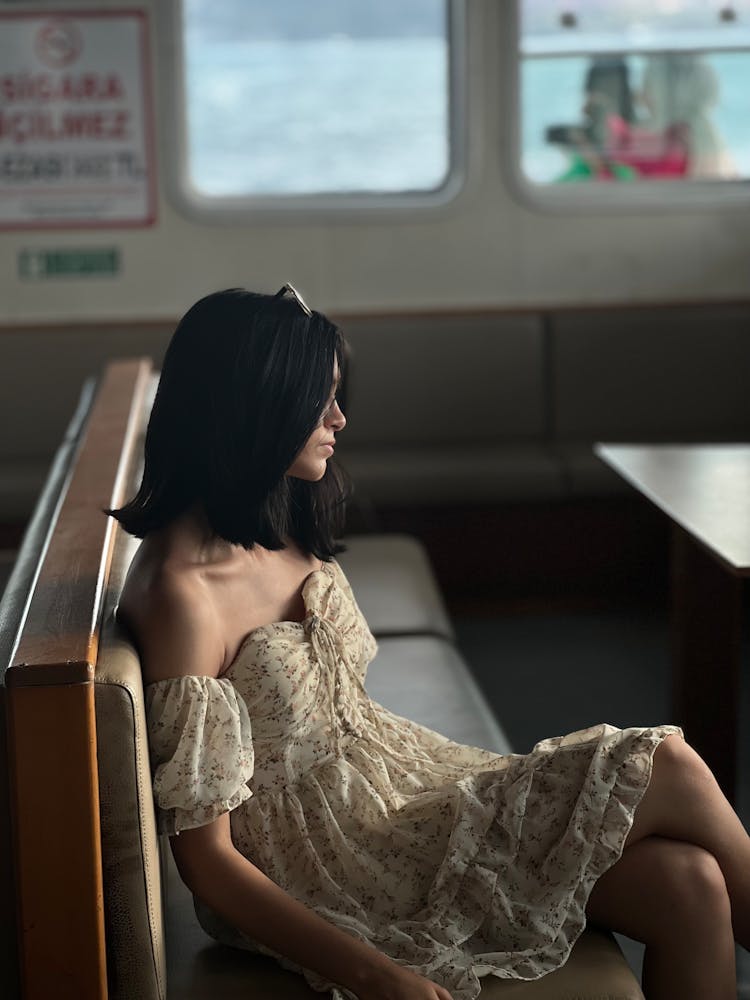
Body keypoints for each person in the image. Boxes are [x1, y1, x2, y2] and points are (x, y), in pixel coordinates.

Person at [112, 285, 749, 1000]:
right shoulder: (182, 595)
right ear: (253, 404)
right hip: (344, 863)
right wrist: (376, 974)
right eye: (316, 400)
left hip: (404, 793)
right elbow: (207, 860)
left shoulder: (271, 513)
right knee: (667, 760)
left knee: (690, 885)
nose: (338, 419)